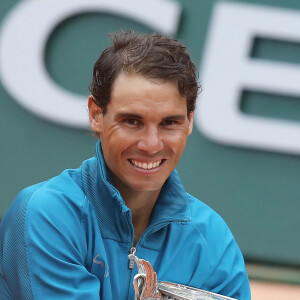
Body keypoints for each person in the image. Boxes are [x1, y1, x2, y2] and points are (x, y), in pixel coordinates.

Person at [0, 31, 250, 299]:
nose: (151, 144)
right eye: (132, 121)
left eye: (169, 123)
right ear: (97, 114)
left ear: (190, 120)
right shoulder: (47, 214)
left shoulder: (212, 240)